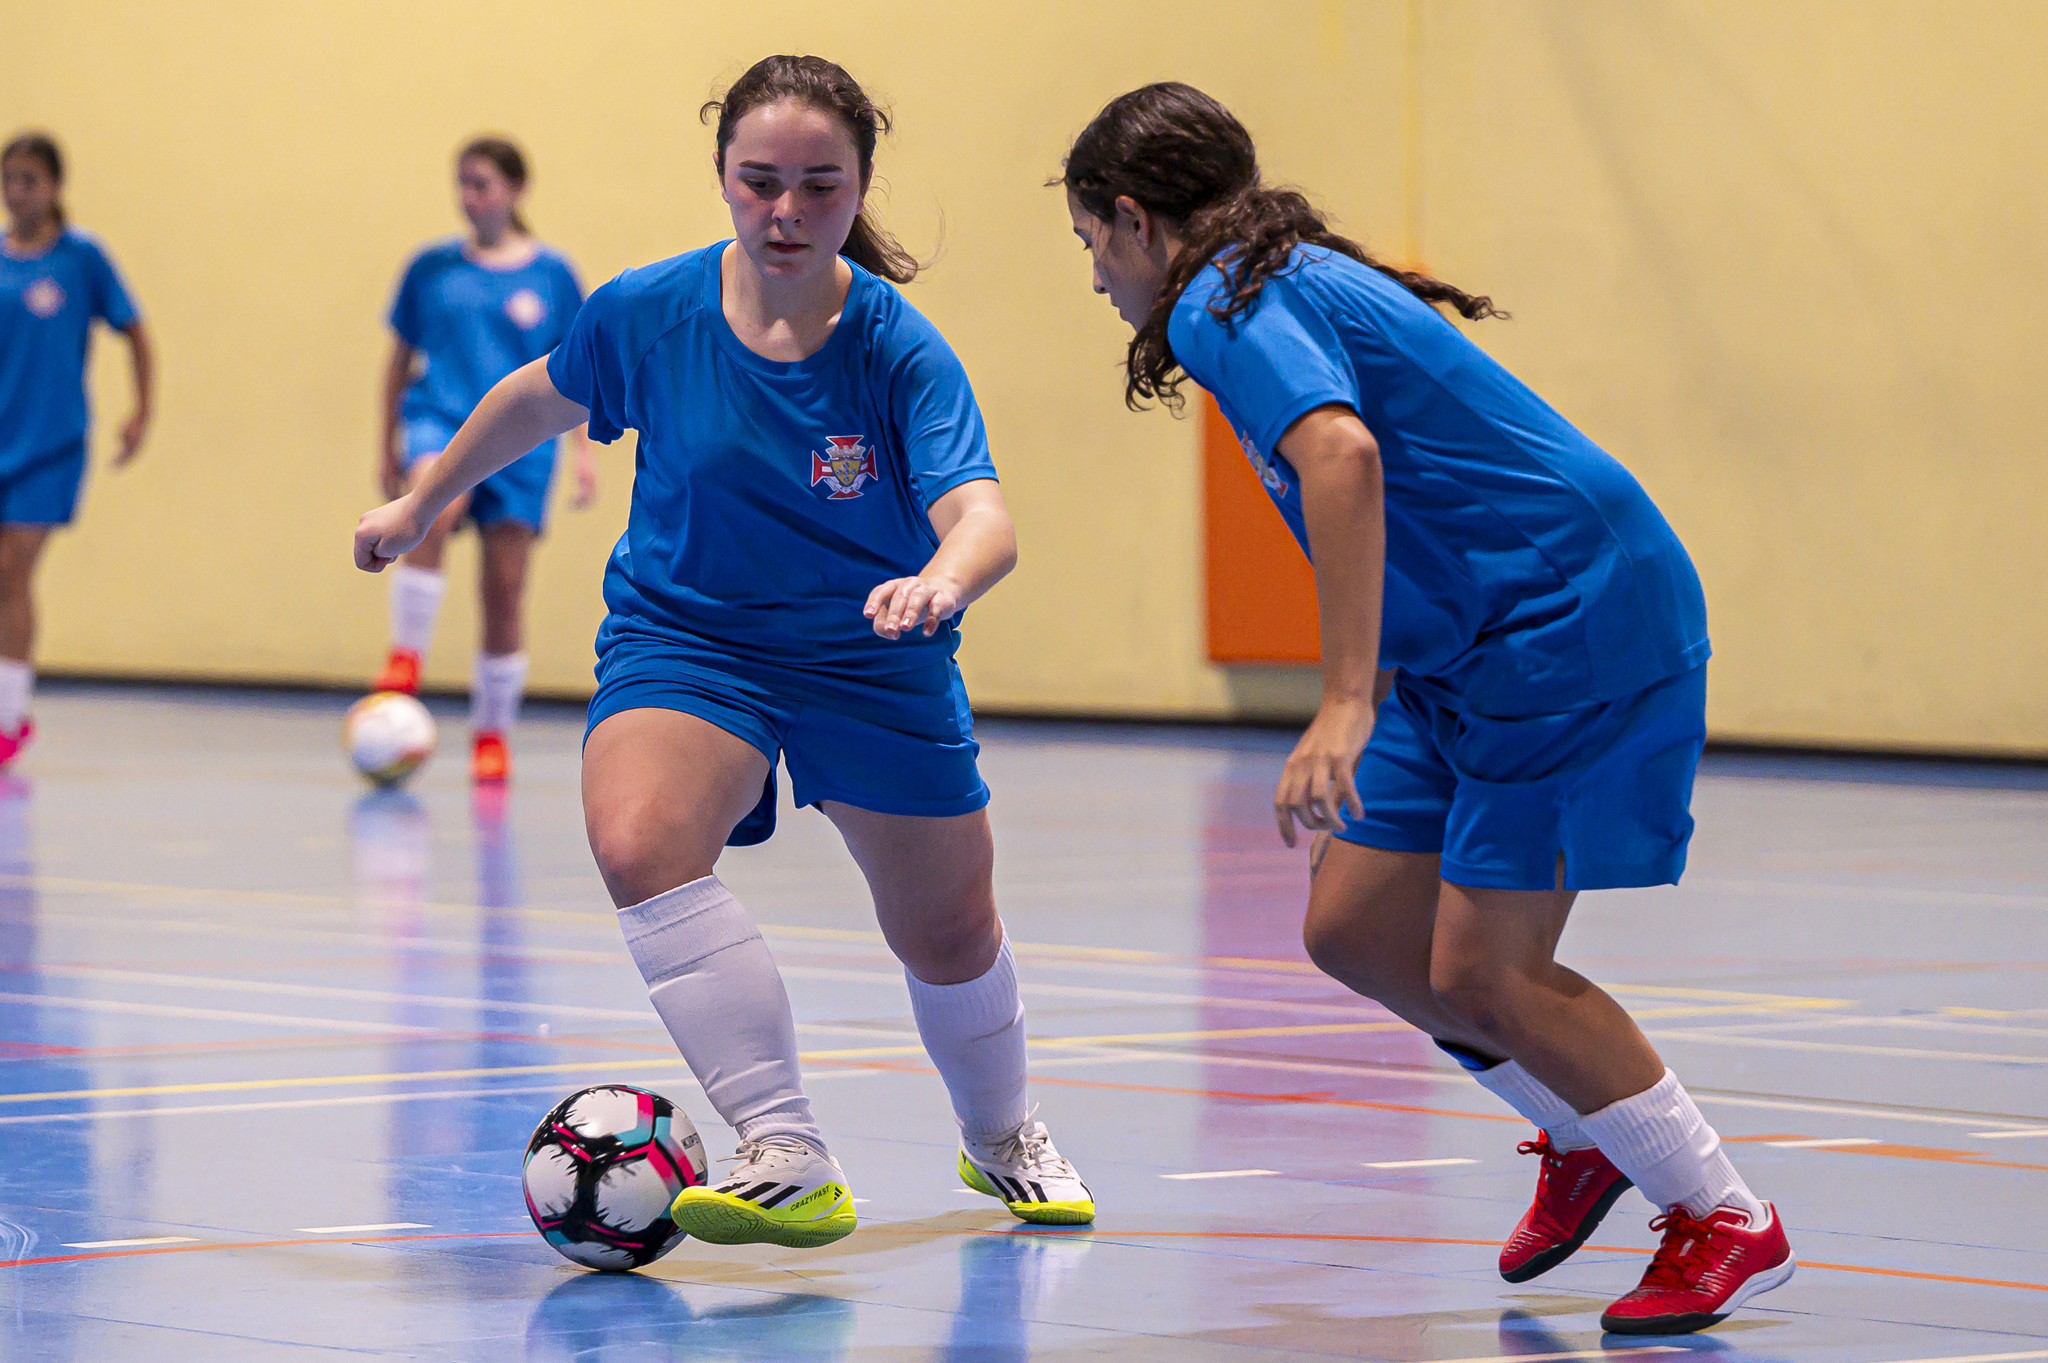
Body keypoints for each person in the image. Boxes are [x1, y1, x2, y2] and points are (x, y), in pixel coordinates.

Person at [1059, 82, 1791, 1335]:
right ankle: (1581, 1132)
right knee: (1351, 925)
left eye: (1088, 247)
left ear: (1133, 221)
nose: (1094, 279)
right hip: (1463, 652)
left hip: (1566, 628)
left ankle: (1725, 1214)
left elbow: (1339, 454)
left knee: (1483, 969)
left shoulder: (1220, 302)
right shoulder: (1268, 278)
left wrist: (1342, 700)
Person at [354, 55, 1091, 1248]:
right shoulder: (646, 312)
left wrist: (938, 580)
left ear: (859, 188)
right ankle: (783, 1146)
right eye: (760, 183)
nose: (786, 211)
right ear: (722, 180)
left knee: (947, 929)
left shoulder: (899, 351)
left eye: (819, 184)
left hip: (871, 651)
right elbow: (529, 400)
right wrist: (419, 503)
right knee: (638, 839)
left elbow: (983, 516)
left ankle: (1002, 1131)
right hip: (688, 637)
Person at [372, 136, 594, 784]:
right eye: (462, 183)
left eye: (483, 184)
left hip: (522, 444)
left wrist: (583, 453)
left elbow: (579, 370)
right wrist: (385, 438)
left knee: (504, 588)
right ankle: (405, 657)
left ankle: (492, 732)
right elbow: (397, 360)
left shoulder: (552, 275)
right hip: (439, 418)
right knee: (434, 508)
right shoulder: (431, 270)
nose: (470, 197)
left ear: (515, 190)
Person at [0, 132, 153, 767]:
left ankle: (8, 717)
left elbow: (135, 331)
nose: (17, 193)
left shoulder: (82, 258)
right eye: (9, 180)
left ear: (57, 186)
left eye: (30, 180)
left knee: (11, 573)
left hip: (51, 445)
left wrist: (140, 412)